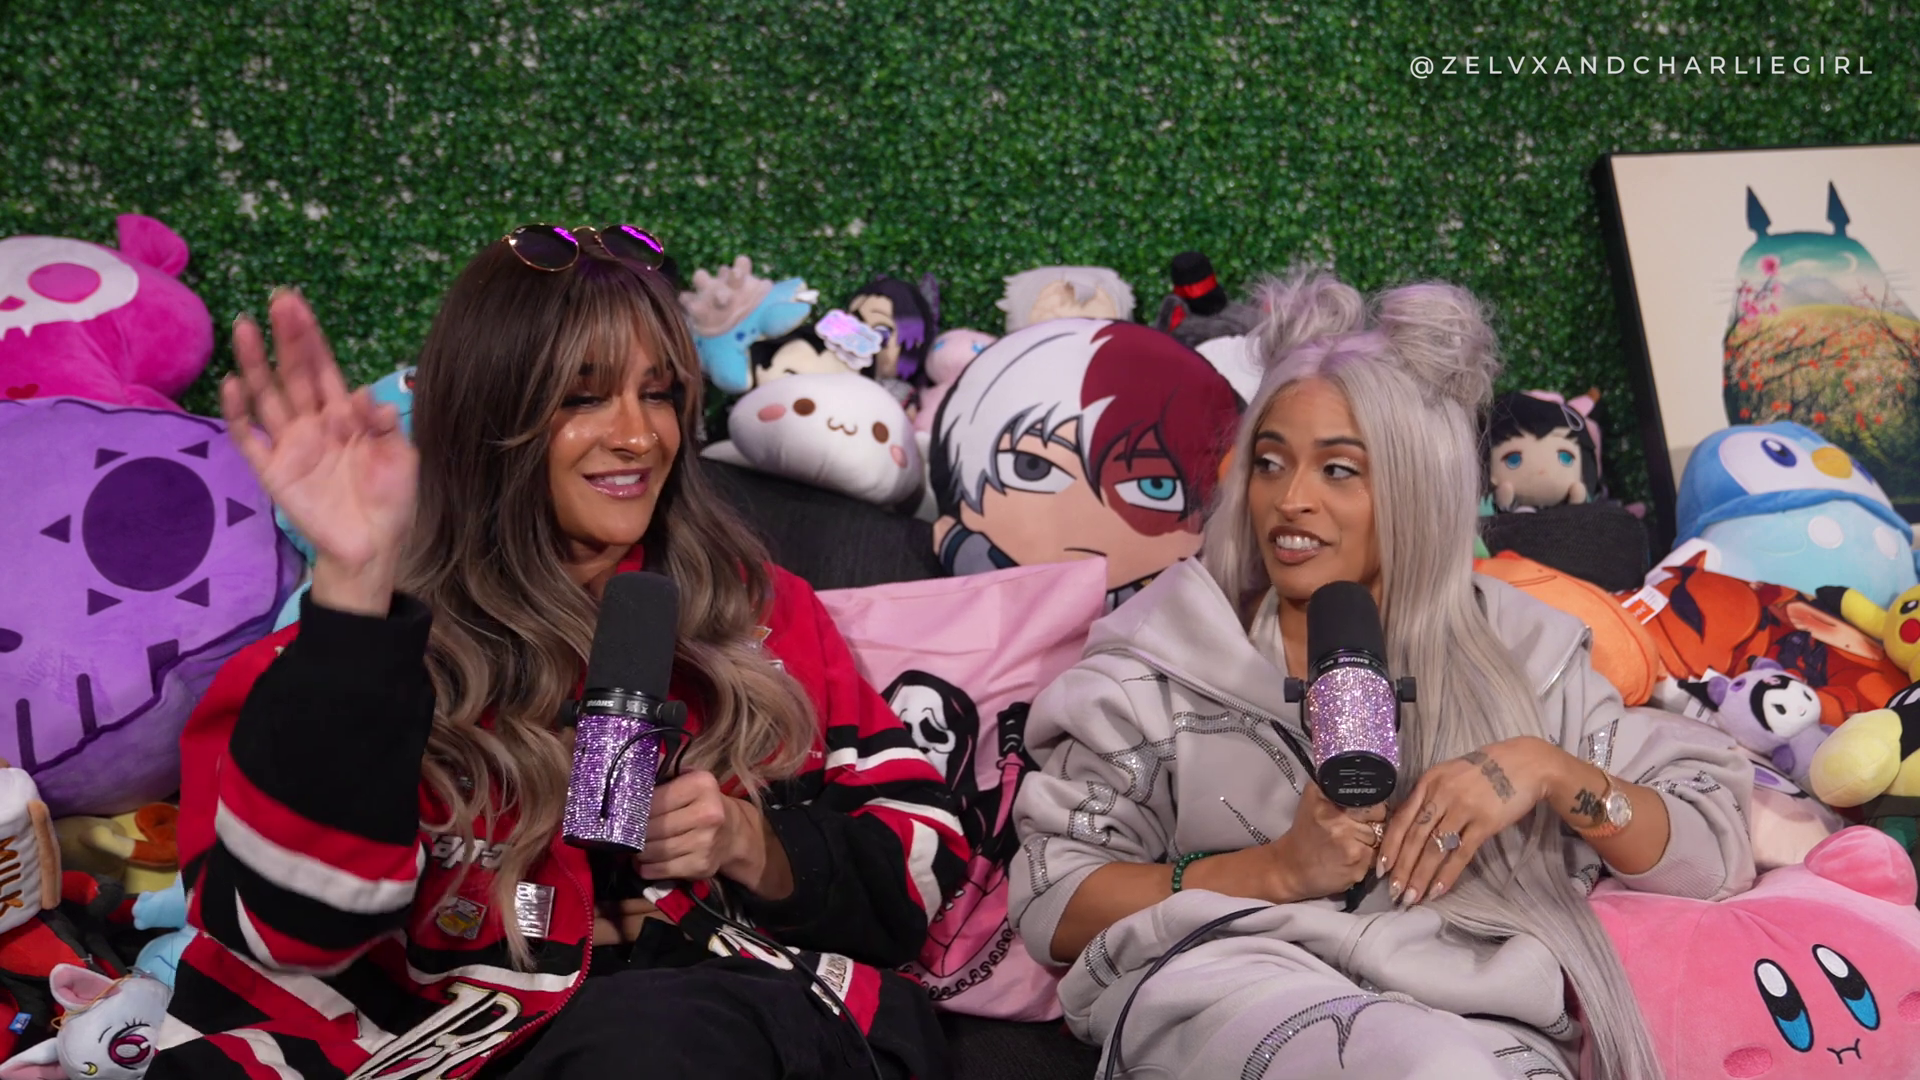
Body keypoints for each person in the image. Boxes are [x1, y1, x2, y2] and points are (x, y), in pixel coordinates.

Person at [154, 225, 968, 1079]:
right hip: (423, 1047)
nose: (639, 437)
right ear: (490, 419)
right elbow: (283, 931)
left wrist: (753, 844)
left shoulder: (759, 611)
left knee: (655, 1037)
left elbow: (923, 863)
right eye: (582, 399)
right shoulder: (346, 650)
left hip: (703, 1027)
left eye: (658, 393)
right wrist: (356, 589)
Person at [1007, 269, 1756, 1080]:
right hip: (1240, 987)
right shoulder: (1162, 661)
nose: (1290, 500)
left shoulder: (1521, 654)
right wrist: (1274, 871)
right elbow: (1053, 900)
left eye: (1338, 470)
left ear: (1416, 487)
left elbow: (1709, 856)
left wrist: (1548, 771)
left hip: (1484, 1016)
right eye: (1270, 463)